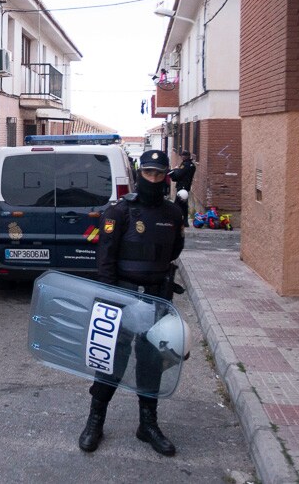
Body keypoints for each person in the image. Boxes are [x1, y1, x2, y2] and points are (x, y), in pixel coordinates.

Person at [78, 149, 185, 457]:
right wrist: (111, 301)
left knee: (151, 363)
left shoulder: (173, 213)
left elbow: (174, 250)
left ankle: (147, 424)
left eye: (158, 174)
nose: (153, 179)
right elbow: (105, 261)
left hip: (156, 299)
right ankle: (95, 420)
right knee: (112, 362)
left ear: (166, 176)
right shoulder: (119, 212)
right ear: (141, 175)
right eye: (148, 173)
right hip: (122, 298)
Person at [168, 150, 196, 226]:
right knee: (183, 205)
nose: (181, 157)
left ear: (186, 156)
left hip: (182, 187)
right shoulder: (192, 165)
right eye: (181, 155)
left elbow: (178, 175)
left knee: (178, 205)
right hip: (186, 187)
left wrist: (173, 171)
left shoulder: (185, 165)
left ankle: (176, 221)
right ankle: (184, 222)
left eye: (183, 155)